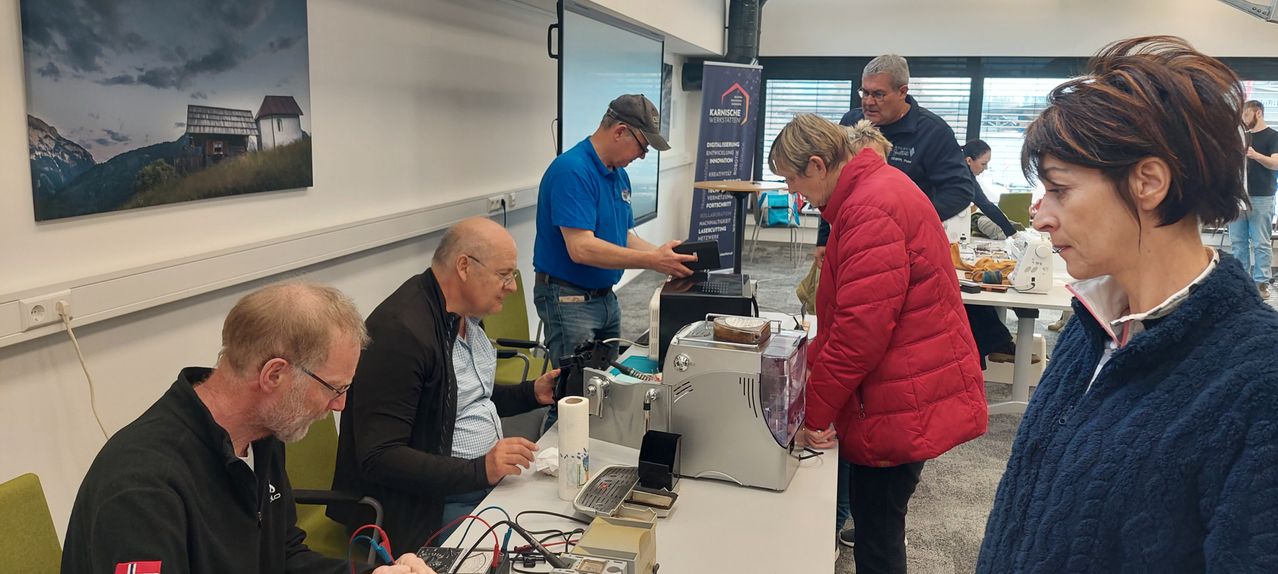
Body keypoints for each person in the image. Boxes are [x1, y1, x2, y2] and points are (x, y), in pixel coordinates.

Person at [978, 36, 1278, 572]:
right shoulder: (1095, 324)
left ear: (1148, 181)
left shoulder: (1258, 383)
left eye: (1060, 190)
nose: (1040, 217)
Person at [61, 282, 433, 574]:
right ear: (275, 374)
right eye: (335, 389)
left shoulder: (262, 436)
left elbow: (283, 559)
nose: (340, 405)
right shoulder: (142, 487)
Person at [774, 115, 988, 574]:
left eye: (794, 180)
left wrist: (815, 412)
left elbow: (858, 334)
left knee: (877, 534)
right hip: (905, 381)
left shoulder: (870, 208)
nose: (796, 194)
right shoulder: (875, 189)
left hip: (900, 396)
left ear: (817, 164)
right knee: (879, 524)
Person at [331, 218, 562, 552]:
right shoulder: (402, 334)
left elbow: (459, 395)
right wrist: (480, 469)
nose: (512, 286)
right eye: (504, 275)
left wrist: (531, 393)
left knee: (555, 522)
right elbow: (380, 456)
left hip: (477, 483)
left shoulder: (460, 314)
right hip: (429, 506)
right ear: (464, 266)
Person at [533, 94, 696, 370]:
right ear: (621, 132)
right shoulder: (572, 171)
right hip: (569, 299)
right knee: (573, 393)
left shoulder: (619, 174)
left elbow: (624, 236)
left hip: (605, 297)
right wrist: (652, 261)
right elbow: (581, 248)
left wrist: (664, 255)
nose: (643, 156)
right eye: (642, 147)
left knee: (607, 387)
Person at [1229, 99, 1278, 298]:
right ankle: (1241, 282)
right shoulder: (1238, 138)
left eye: (1246, 115)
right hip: (1237, 197)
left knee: (1261, 243)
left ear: (1258, 113)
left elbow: (1275, 163)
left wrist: (1256, 155)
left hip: (1261, 197)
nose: (1243, 119)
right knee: (1238, 243)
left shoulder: (1272, 136)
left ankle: (1261, 283)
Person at [961, 139, 1018, 240]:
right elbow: (986, 206)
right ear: (969, 160)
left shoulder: (957, 167)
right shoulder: (963, 176)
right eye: (983, 164)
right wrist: (1013, 234)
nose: (986, 168)